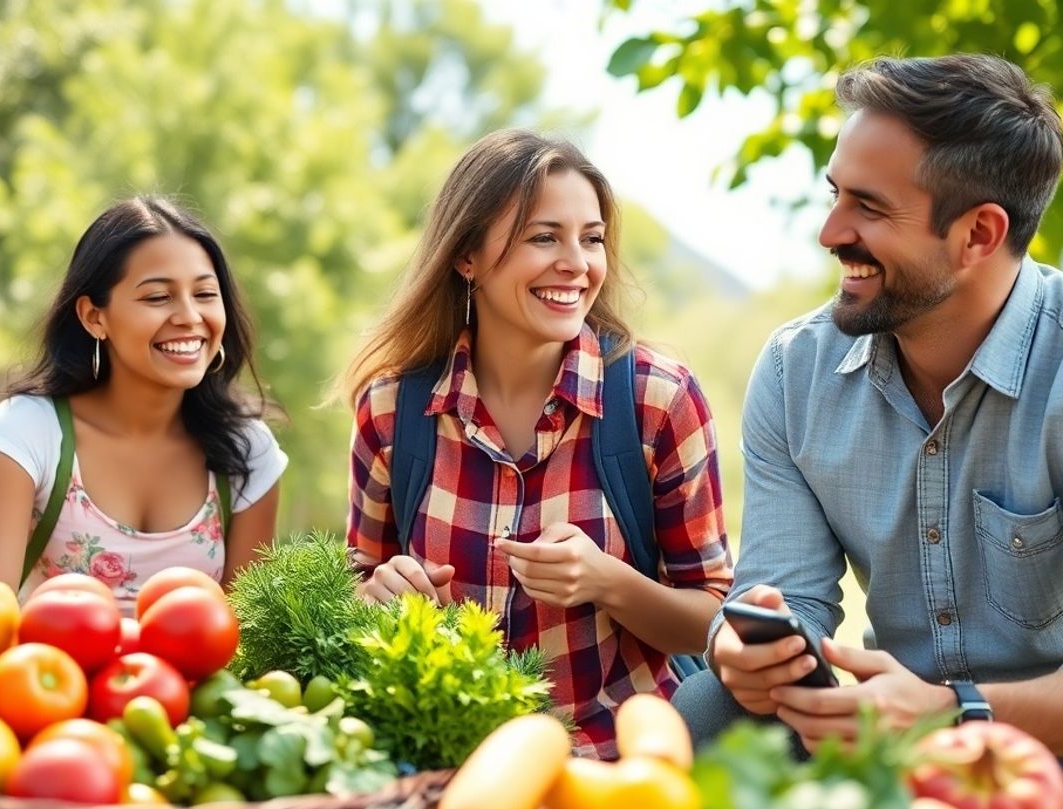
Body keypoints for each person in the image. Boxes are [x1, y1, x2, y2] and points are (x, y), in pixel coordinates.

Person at [672, 54, 1063, 755]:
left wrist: (956, 710)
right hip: (886, 747)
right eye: (835, 195)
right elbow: (786, 599)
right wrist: (747, 645)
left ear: (979, 235)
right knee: (708, 702)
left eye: (869, 207)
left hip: (1041, 749)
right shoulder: (798, 372)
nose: (830, 233)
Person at [341, 129, 734, 759]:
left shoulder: (658, 401)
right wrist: (379, 593)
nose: (577, 263)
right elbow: (353, 589)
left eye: (593, 238)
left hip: (619, 764)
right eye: (543, 236)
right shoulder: (391, 410)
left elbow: (716, 620)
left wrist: (610, 583)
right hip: (444, 765)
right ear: (467, 256)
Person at [0, 196, 287, 614]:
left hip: (199, 682)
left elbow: (247, 638)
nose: (190, 316)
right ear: (94, 317)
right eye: (157, 298)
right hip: (53, 675)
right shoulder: (30, 431)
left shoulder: (248, 450)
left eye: (205, 293)